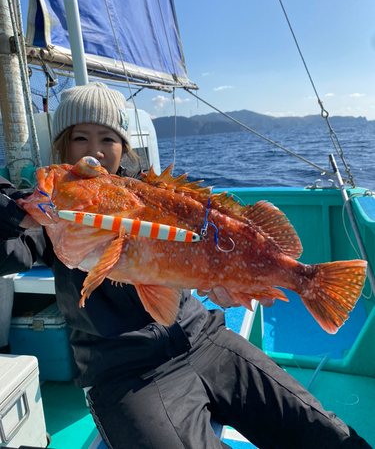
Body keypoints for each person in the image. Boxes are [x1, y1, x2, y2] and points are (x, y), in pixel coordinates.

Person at [0, 82, 371, 449]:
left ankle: (308, 281)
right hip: (126, 376)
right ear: (64, 147)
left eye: (107, 139)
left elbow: (190, 270)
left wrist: (229, 283)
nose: (95, 151)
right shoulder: (49, 222)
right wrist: (13, 214)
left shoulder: (150, 196)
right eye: (80, 140)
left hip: (205, 338)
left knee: (325, 433)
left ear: (123, 147)